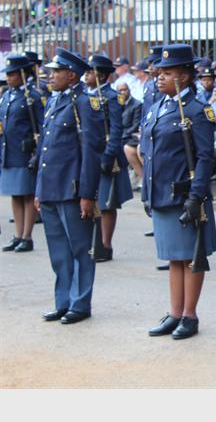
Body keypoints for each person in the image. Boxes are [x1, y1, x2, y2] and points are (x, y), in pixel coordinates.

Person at [140, 44, 216, 339]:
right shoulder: (158, 106)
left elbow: (205, 157)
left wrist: (196, 196)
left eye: (167, 72)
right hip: (161, 192)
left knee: (191, 256)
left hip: (185, 194)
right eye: (159, 72)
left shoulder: (197, 110)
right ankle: (175, 313)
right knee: (174, 257)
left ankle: (189, 314)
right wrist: (147, 191)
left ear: (184, 77)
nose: (159, 77)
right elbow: (149, 153)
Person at [35, 47, 104, 324]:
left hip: (72, 189)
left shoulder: (85, 103)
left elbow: (91, 152)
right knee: (59, 252)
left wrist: (87, 193)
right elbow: (44, 150)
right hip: (50, 188)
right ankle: (63, 301)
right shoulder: (54, 101)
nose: (50, 76)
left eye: (56, 72)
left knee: (79, 249)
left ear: (72, 75)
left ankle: (80, 303)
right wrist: (39, 190)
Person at [86, 54, 134, 261]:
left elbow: (116, 129)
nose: (86, 75)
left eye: (90, 72)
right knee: (90, 199)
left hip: (106, 154)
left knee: (106, 203)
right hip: (89, 154)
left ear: (101, 75)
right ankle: (93, 242)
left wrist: (108, 154)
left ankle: (105, 245)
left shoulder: (112, 97)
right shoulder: (85, 95)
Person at [1, 54, 43, 253]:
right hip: (8, 150)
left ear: (23, 74)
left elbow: (41, 126)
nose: (9, 78)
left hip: (25, 151)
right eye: (8, 75)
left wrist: (37, 149)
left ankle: (27, 236)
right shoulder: (6, 96)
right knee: (15, 195)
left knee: (27, 194)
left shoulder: (32, 96)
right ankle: (18, 235)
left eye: (12, 74)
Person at [117, 82, 143, 189]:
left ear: (129, 90)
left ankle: (142, 177)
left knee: (127, 148)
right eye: (120, 90)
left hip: (131, 136)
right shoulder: (116, 104)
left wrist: (121, 136)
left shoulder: (137, 104)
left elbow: (135, 125)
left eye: (125, 89)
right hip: (121, 135)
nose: (122, 92)